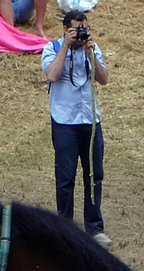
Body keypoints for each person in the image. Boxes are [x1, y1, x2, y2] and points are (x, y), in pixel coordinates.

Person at [43, 8, 110, 245]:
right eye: (76, 28)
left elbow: (103, 79)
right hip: (65, 122)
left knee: (94, 176)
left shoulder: (92, 48)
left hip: (90, 121)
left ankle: (95, 227)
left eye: (84, 27)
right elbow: (52, 75)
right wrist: (66, 46)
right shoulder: (51, 48)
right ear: (65, 28)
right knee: (65, 178)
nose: (81, 32)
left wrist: (90, 52)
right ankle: (65, 229)